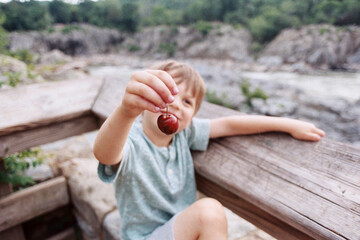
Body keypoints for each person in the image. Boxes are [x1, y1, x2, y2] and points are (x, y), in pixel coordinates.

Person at [93, 60, 325, 240]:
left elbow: (229, 124)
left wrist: (288, 125)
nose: (175, 104)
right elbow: (105, 153)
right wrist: (126, 111)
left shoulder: (184, 134)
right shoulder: (131, 141)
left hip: (181, 232)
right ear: (145, 101)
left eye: (187, 102)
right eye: (168, 95)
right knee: (209, 211)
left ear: (192, 116)